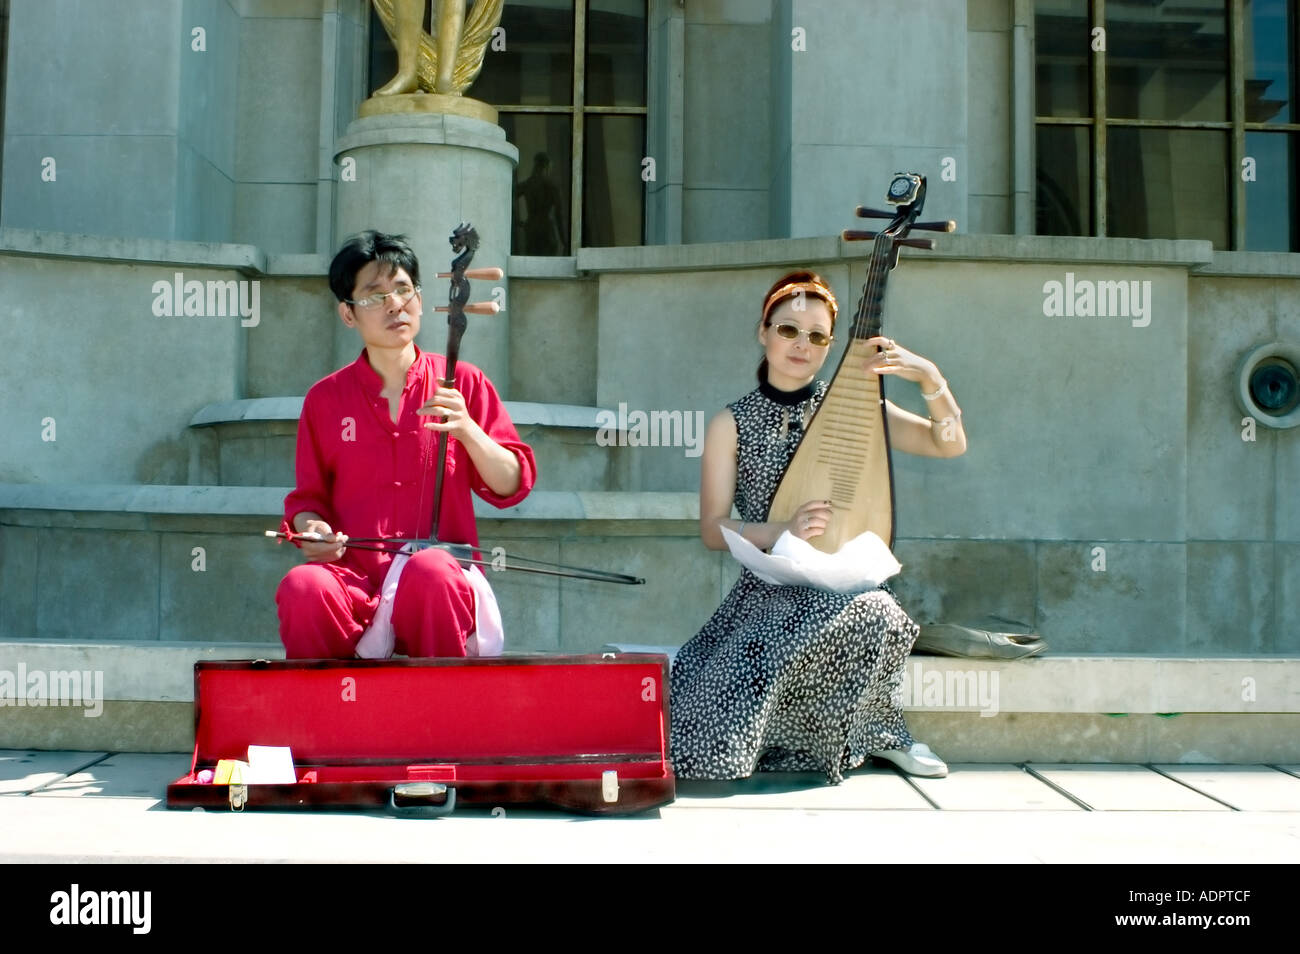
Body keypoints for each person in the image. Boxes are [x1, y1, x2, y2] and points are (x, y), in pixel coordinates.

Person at [670, 269, 967, 782]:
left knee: (879, 610)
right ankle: (785, 739)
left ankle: (881, 734)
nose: (801, 345)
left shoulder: (855, 408)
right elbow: (712, 530)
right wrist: (780, 530)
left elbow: (949, 443)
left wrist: (930, 378)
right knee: (701, 740)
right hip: (770, 590)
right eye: (788, 330)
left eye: (817, 336)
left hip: (845, 585)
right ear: (763, 332)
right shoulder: (730, 423)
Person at [275, 230, 536, 659]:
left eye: (403, 289)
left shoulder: (462, 381)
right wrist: (314, 531)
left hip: (435, 583)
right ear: (347, 313)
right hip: (354, 581)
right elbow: (308, 502)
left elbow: (512, 484)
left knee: (431, 570)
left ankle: (439, 701)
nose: (395, 304)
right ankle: (329, 701)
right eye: (375, 295)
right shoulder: (325, 399)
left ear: (419, 297)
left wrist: (468, 429)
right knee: (304, 586)